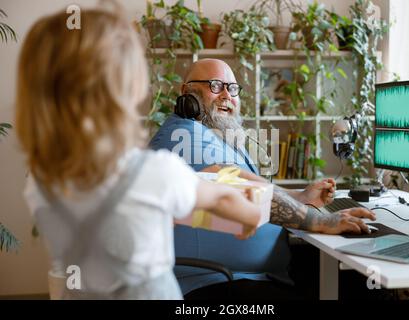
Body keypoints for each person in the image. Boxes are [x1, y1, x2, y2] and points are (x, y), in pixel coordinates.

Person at [15, 10, 261, 300]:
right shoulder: (155, 172)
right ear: (130, 89)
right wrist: (251, 216)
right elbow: (223, 197)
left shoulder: (41, 181)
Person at [150, 58, 376, 298]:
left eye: (232, 88)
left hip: (254, 275)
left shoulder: (219, 136)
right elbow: (241, 187)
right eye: (215, 85)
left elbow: (254, 187)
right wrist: (322, 221)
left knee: (358, 279)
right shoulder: (183, 134)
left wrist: (300, 196)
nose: (227, 95)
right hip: (215, 283)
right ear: (187, 92)